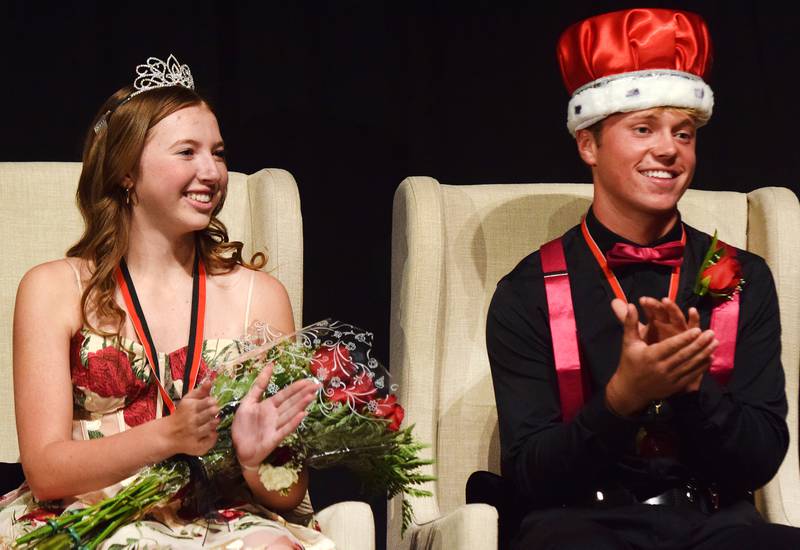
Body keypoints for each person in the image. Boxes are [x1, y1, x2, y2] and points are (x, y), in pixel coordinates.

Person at [486, 8, 800, 549]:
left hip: (717, 525)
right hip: (582, 525)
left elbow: (761, 458)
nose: (668, 150)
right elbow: (532, 475)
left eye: (683, 132)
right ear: (588, 144)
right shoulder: (529, 290)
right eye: (642, 128)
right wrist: (620, 401)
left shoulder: (743, 276)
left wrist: (694, 386)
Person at [0, 54, 334, 549]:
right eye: (187, 152)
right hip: (90, 515)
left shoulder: (258, 297)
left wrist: (254, 461)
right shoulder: (53, 289)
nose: (212, 171)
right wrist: (168, 436)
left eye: (218, 153)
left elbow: (289, 494)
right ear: (125, 172)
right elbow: (47, 470)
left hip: (220, 518)